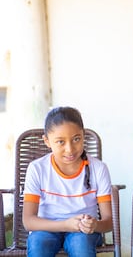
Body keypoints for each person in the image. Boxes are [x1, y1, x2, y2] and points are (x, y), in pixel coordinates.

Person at [22, 106, 113, 257]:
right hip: (46, 229)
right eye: (60, 142)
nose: (70, 149)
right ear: (47, 141)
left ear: (84, 136)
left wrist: (95, 225)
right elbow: (28, 221)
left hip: (83, 232)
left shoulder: (98, 169)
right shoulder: (37, 168)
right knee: (38, 244)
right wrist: (65, 225)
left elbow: (108, 222)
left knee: (81, 244)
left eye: (76, 139)